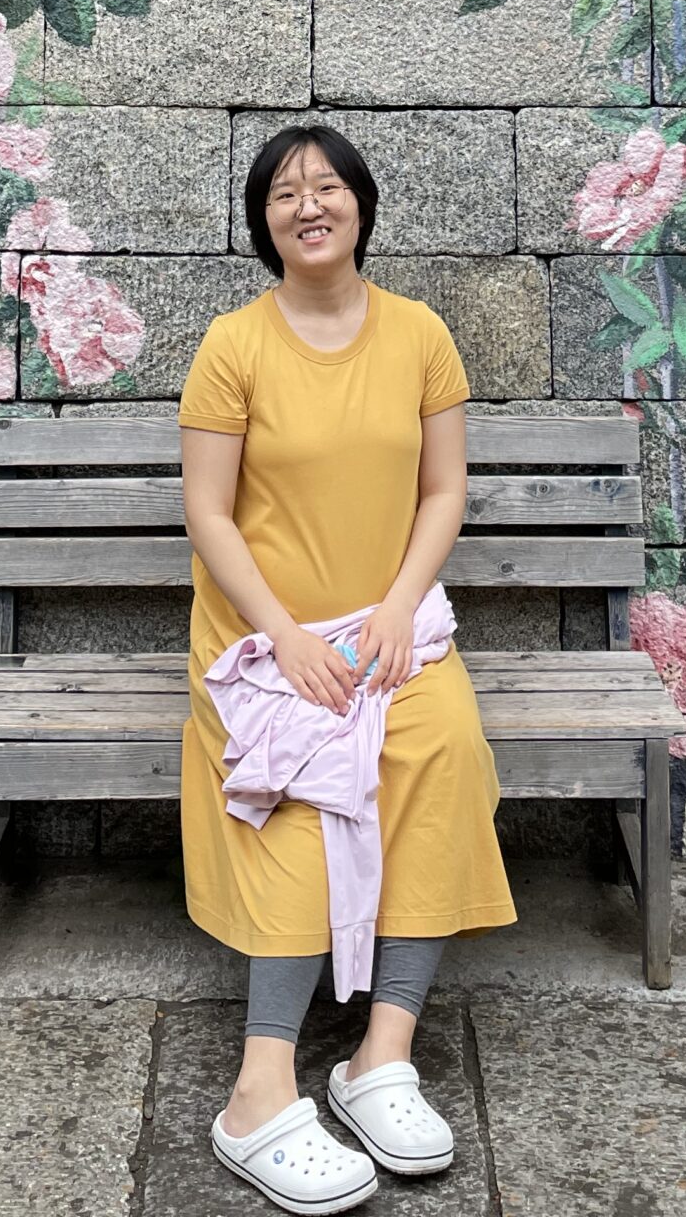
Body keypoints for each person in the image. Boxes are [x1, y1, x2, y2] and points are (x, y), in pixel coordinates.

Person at [178, 123, 516, 1213]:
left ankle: (380, 1057)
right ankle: (258, 1092)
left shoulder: (420, 335)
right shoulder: (234, 345)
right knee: (298, 794)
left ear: (362, 206)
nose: (308, 204)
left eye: (327, 186)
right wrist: (285, 635)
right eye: (284, 193)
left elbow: (443, 491)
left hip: (389, 631)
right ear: (263, 222)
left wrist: (401, 606)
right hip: (263, 641)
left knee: (442, 753)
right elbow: (208, 511)